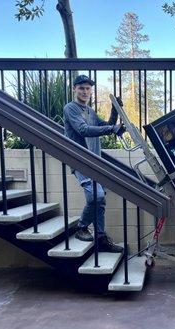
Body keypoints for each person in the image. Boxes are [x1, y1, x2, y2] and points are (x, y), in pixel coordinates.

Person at [63, 74, 125, 252]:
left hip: (94, 162)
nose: (84, 91)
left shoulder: (89, 111)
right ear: (74, 89)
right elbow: (83, 130)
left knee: (100, 201)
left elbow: (106, 125)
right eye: (81, 88)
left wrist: (115, 111)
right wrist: (111, 129)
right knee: (96, 197)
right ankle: (82, 227)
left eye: (88, 88)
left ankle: (101, 239)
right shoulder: (71, 108)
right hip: (80, 160)